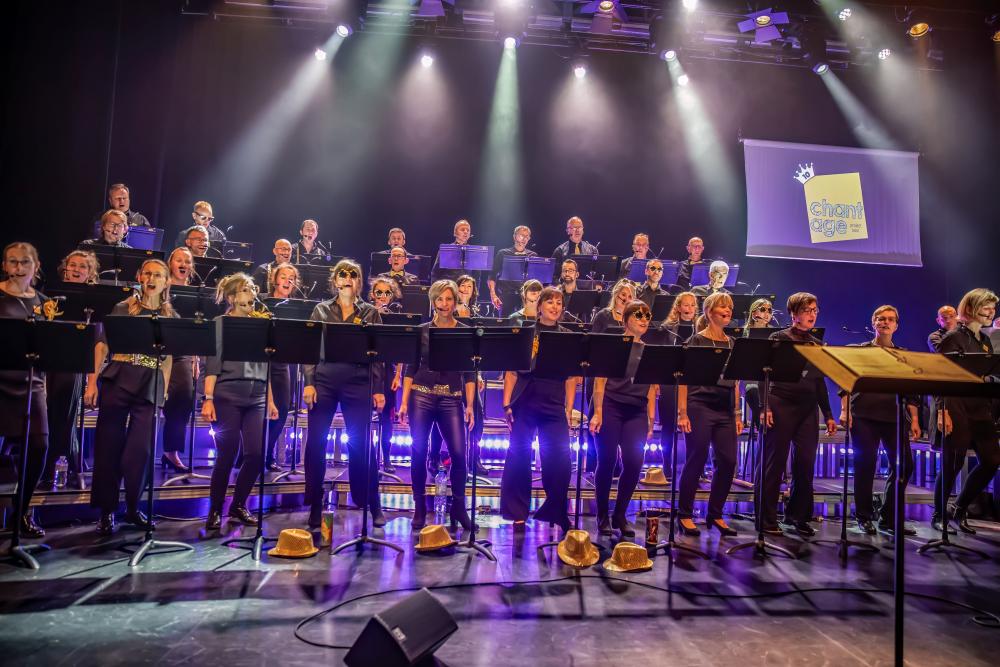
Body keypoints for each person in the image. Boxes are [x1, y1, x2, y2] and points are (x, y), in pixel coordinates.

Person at [86, 259, 176, 535]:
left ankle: (133, 507)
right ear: (139, 277)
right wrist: (92, 382)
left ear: (166, 281)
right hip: (119, 377)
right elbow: (102, 346)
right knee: (108, 446)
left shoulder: (170, 316)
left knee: (141, 451)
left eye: (157, 275)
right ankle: (106, 511)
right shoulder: (123, 308)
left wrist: (163, 392)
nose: (151, 278)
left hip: (149, 384)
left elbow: (168, 359)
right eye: (147, 273)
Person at [302, 259, 386, 528]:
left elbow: (378, 356)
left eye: (353, 274)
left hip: (358, 381)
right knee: (316, 442)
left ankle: (372, 502)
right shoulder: (321, 310)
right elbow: (309, 349)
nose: (348, 278)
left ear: (359, 281)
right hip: (325, 381)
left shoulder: (370, 312)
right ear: (335, 280)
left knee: (362, 445)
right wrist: (309, 382)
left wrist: (378, 389)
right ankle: (315, 505)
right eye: (343, 274)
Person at [201, 273, 279, 531]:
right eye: (246, 289)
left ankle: (238, 504)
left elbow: (266, 366)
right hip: (228, 394)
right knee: (227, 454)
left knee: (255, 454)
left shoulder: (262, 324)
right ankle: (215, 509)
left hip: (257, 396)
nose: (252, 294)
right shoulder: (222, 323)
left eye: (253, 289)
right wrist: (208, 398)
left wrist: (270, 400)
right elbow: (212, 364)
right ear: (233, 297)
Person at [398, 280, 476, 531]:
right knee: (418, 452)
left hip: (451, 398)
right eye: (439, 299)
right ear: (433, 302)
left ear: (455, 302)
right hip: (421, 396)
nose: (444, 304)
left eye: (449, 299)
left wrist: (470, 405)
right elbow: (410, 369)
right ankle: (419, 507)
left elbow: (470, 373)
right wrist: (403, 402)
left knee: (459, 455)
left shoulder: (464, 331)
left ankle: (459, 508)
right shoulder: (421, 331)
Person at [500, 287, 578, 532]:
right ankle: (517, 512)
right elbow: (512, 372)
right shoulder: (526, 332)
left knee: (560, 460)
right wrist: (506, 404)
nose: (555, 307)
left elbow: (572, 377)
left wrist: (569, 408)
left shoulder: (568, 336)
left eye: (558, 302)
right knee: (518, 456)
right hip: (526, 400)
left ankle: (555, 510)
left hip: (554, 402)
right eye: (550, 302)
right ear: (540, 305)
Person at [838, 306, 921, 536]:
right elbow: (845, 382)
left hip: (895, 417)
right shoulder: (860, 351)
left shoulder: (903, 354)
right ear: (873, 322)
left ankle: (888, 518)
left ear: (896, 325)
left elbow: (911, 391)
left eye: (890, 319)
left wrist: (915, 419)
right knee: (865, 466)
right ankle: (864, 517)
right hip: (864, 416)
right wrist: (844, 410)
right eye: (881, 319)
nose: (885, 322)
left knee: (905, 466)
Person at [760, 292, 837, 537]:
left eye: (815, 310)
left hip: (807, 408)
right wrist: (765, 406)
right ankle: (766, 518)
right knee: (775, 463)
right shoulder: (778, 338)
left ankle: (798, 516)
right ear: (794, 314)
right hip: (781, 403)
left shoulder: (816, 344)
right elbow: (763, 374)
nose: (812, 314)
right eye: (807, 310)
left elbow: (819, 382)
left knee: (805, 463)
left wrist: (828, 414)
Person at [675, 292, 743, 537]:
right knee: (697, 457)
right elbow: (682, 379)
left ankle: (715, 514)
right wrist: (682, 412)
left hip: (724, 409)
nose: (728, 310)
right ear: (709, 311)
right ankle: (684, 514)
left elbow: (736, 382)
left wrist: (737, 414)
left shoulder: (733, 343)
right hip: (699, 405)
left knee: (728, 461)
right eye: (722, 306)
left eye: (730, 307)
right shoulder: (696, 341)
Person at [933, 288, 1000, 534]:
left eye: (993, 308)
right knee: (952, 463)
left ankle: (959, 508)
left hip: (980, 408)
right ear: (970, 308)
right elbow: (938, 376)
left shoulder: (984, 340)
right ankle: (939, 514)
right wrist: (942, 410)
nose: (991, 312)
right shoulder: (953, 337)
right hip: (955, 405)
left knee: (992, 461)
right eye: (986, 307)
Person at [590, 300, 657, 536]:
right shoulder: (615, 345)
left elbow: (652, 388)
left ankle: (620, 514)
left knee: (634, 462)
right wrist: (598, 412)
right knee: (607, 461)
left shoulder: (649, 351)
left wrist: (651, 419)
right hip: (610, 405)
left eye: (647, 316)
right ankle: (602, 515)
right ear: (626, 319)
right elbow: (599, 381)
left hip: (636, 410)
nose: (644, 319)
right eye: (638, 315)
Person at [0, 242, 53, 537]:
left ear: (36, 266)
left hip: (31, 383)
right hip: (0, 381)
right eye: (13, 262)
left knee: (39, 447)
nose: (19, 268)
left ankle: (20, 512)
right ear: (5, 266)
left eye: (25, 262)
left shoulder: (44, 303)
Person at [42, 251, 100, 486]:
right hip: (46, 364)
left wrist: (92, 382)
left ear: (90, 273)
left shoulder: (92, 302)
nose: (76, 269)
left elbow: (98, 343)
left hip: (72, 365)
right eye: (72, 265)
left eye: (82, 266)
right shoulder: (49, 295)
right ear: (64, 269)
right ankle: (43, 467)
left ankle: (65, 467)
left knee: (64, 418)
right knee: (43, 416)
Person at [263, 263, 300, 471]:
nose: (288, 280)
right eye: (283, 276)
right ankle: (250, 454)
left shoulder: (296, 307)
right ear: (274, 280)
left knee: (283, 409)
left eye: (291, 277)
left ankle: (266, 453)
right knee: (259, 409)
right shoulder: (262, 302)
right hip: (261, 360)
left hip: (283, 361)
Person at [653, 291, 698, 460]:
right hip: (669, 382)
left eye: (693, 305)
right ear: (678, 307)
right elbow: (659, 357)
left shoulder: (700, 328)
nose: (690, 308)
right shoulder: (666, 329)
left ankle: (694, 466)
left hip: (692, 382)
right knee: (668, 426)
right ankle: (667, 465)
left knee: (694, 426)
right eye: (686, 305)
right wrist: (657, 381)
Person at [369, 276, 402, 473]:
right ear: (373, 294)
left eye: (387, 292)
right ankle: (369, 459)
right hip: (370, 369)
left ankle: (387, 457)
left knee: (387, 419)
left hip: (389, 370)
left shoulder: (396, 316)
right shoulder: (366, 313)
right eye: (379, 292)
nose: (382, 296)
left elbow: (403, 350)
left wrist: (398, 375)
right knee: (366, 416)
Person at [488, 225, 537, 311]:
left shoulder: (532, 255)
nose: (524, 238)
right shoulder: (503, 253)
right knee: (505, 319)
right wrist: (493, 295)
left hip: (526, 298)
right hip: (506, 297)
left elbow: (536, 280)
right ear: (514, 236)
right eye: (521, 235)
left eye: (527, 236)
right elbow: (492, 276)